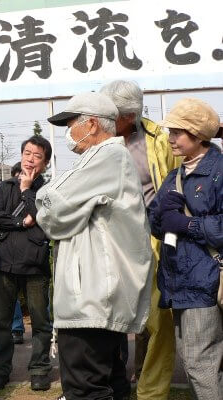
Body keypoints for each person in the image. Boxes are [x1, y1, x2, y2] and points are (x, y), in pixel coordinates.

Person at [36, 92, 152, 400]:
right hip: (100, 296)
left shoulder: (107, 157)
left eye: (71, 123)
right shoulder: (110, 159)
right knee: (110, 383)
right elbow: (59, 212)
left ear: (91, 124)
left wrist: (55, 207)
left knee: (85, 388)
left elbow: (51, 205)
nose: (68, 133)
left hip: (91, 297)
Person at [100, 80, 180, 398]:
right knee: (109, 317)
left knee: (158, 321)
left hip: (153, 240)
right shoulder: (99, 140)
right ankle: (110, 385)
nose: (107, 119)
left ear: (131, 114)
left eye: (114, 114)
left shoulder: (160, 138)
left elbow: (177, 188)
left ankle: (151, 391)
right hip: (110, 241)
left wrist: (174, 237)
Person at [147, 98, 223, 399]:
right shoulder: (174, 175)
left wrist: (188, 225)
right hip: (180, 282)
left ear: (198, 135)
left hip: (206, 281)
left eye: (178, 132)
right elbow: (155, 226)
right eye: (170, 131)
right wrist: (160, 214)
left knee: (199, 362)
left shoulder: (219, 172)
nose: (171, 138)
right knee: (197, 361)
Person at [0, 136, 53, 392]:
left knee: (40, 321)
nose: (30, 159)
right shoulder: (4, 187)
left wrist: (26, 191)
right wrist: (22, 223)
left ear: (45, 163)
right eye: (27, 153)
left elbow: (43, 217)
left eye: (37, 155)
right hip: (4, 263)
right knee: (1, 323)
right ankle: (0, 371)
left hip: (35, 265)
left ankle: (39, 370)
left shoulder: (48, 191)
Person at [8, 162, 25, 345]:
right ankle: (16, 329)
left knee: (40, 300)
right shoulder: (4, 194)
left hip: (31, 254)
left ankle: (47, 328)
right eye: (17, 174)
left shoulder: (36, 193)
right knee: (13, 297)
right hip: (10, 254)